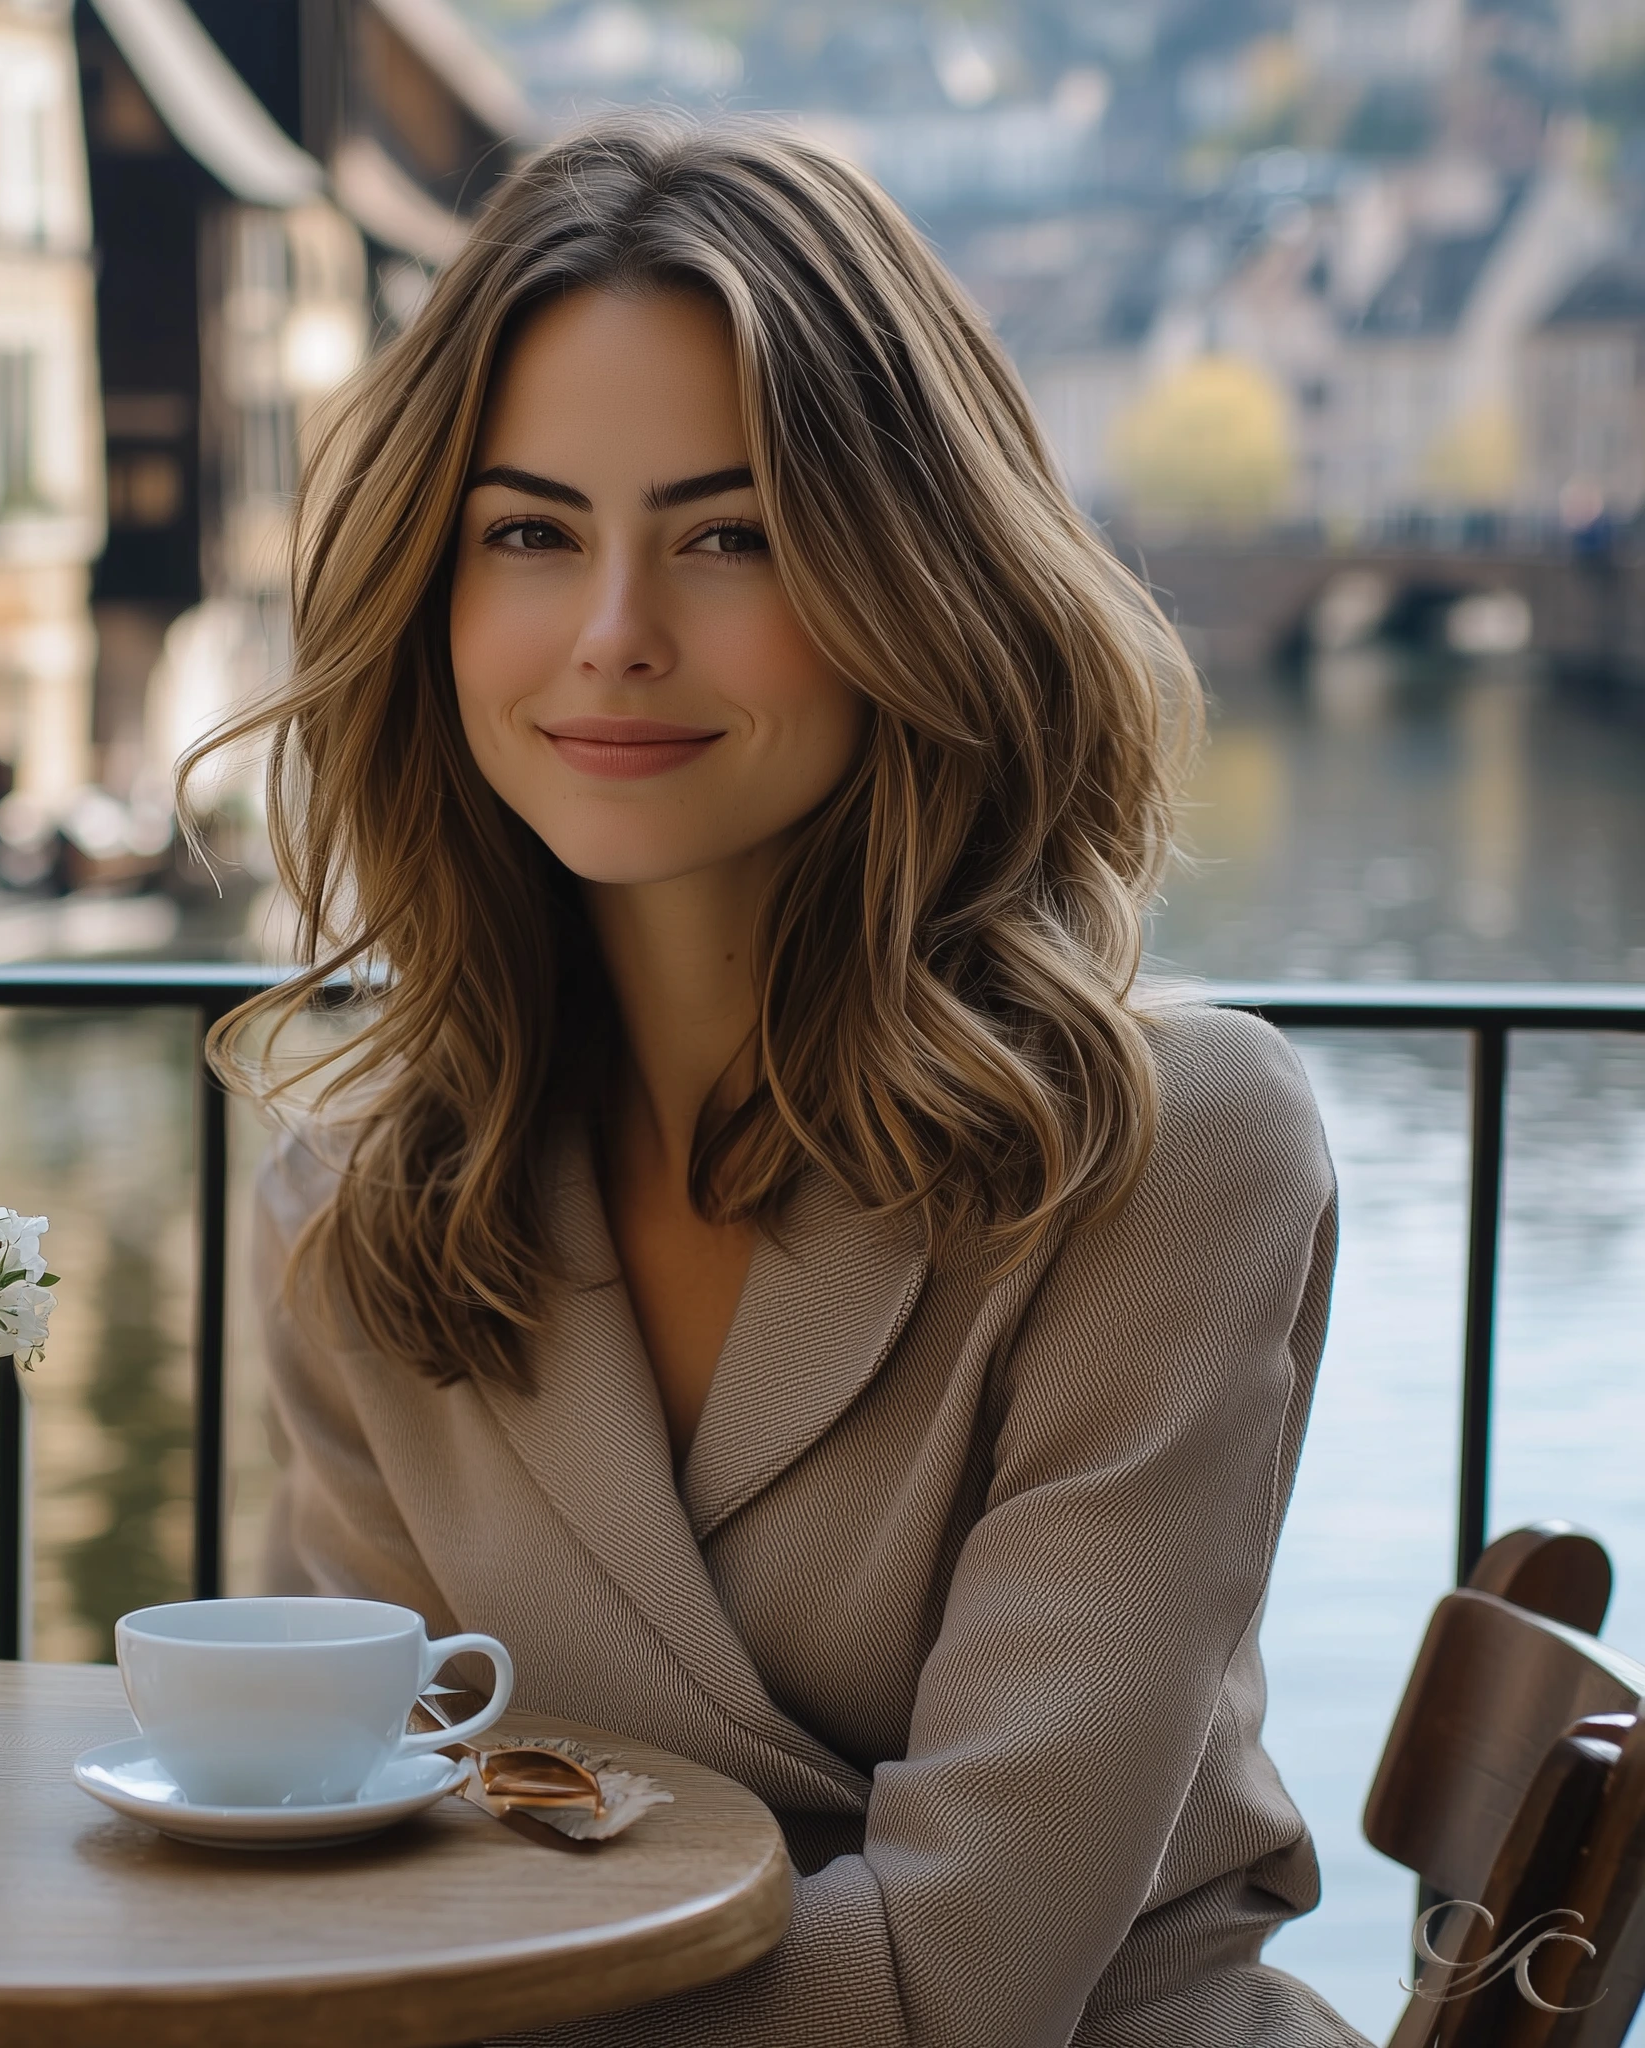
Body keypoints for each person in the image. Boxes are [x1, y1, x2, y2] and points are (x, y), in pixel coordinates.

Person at [207, 115, 1363, 2048]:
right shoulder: (359, 1213)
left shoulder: (1164, 1160)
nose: (614, 637)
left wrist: (427, 1983)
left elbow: (956, 1983)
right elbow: (350, 1841)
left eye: (728, 536)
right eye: (530, 533)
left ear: (917, 578)